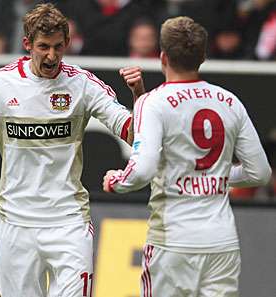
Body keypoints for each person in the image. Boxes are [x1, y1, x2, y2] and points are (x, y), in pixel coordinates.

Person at [0, 3, 144, 296]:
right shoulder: (0, 85)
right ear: (27, 44)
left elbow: (133, 134)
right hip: (15, 222)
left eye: (58, 47)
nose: (51, 56)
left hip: (68, 222)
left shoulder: (82, 84)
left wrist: (138, 95)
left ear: (66, 44)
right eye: (43, 47)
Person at [103, 16, 272, 297]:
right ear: (203, 57)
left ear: (162, 57)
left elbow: (142, 171)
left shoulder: (153, 101)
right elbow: (260, 173)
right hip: (222, 243)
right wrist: (214, 177)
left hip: (173, 242)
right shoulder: (229, 101)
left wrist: (116, 180)